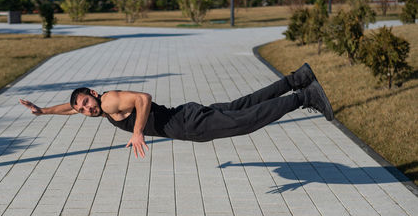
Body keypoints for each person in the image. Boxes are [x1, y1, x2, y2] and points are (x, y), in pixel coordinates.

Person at [20, 63, 333, 159]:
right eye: (83, 109)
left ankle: (304, 97)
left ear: (93, 93)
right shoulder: (97, 108)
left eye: (86, 103)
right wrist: (43, 111)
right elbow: (69, 109)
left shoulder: (109, 101)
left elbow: (143, 98)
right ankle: (299, 78)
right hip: (187, 115)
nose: (86, 110)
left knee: (246, 121)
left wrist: (139, 131)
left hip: (189, 124)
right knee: (245, 104)